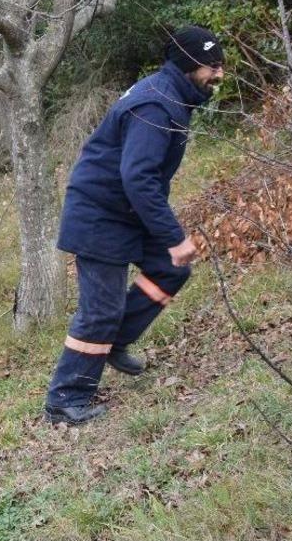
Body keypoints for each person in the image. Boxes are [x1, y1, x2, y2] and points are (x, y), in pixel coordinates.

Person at [43, 25, 226, 425]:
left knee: (169, 269)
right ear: (190, 64)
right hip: (100, 215)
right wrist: (174, 237)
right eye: (213, 65)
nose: (219, 74)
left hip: (124, 212)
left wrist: (169, 244)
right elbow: (138, 178)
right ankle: (64, 400)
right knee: (100, 311)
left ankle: (115, 341)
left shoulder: (170, 95)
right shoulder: (156, 106)